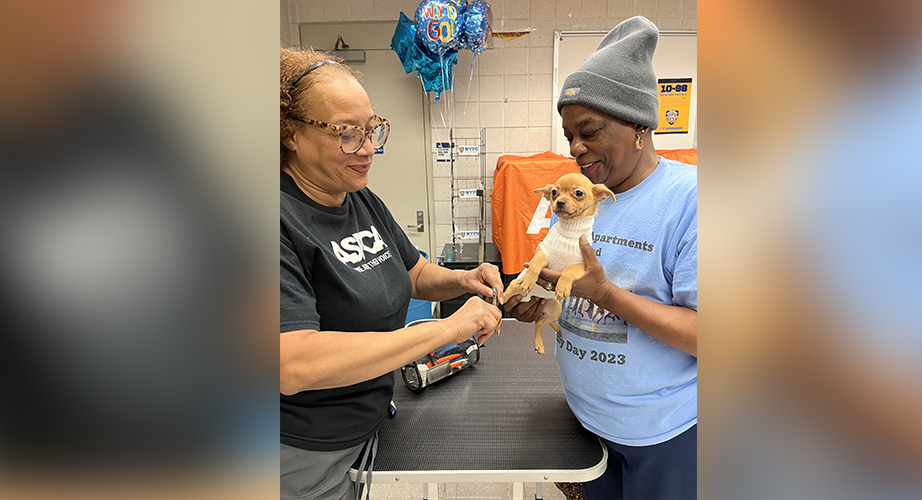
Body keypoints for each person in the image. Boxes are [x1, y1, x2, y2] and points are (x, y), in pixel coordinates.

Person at [278, 48, 503, 500]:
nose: (367, 149)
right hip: (303, 446)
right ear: (290, 134)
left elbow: (413, 272)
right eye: (346, 134)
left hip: (368, 417)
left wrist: (463, 280)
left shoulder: (359, 199)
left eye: (371, 129)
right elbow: (292, 363)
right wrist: (448, 328)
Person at [503, 17, 697, 500]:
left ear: (639, 124)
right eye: (569, 135)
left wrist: (609, 296)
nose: (575, 149)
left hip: (664, 433)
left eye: (589, 131)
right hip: (587, 423)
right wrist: (542, 301)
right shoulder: (578, 199)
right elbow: (571, 286)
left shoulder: (690, 202)